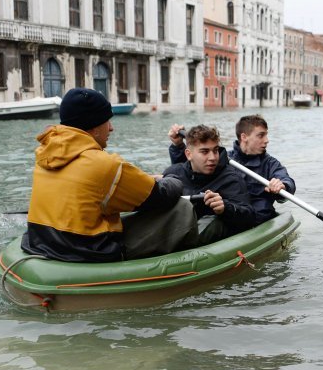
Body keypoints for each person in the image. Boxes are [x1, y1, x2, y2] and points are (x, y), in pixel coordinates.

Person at [21, 88, 196, 262]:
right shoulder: (105, 165)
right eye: (107, 121)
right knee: (182, 208)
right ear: (94, 126)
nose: (111, 128)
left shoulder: (44, 155)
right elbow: (160, 194)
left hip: (41, 244)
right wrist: (172, 178)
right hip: (89, 252)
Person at [169, 114, 295, 225]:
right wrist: (178, 146)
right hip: (229, 216)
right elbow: (189, 171)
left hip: (257, 219)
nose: (267, 140)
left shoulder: (270, 163)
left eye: (266, 135)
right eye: (261, 135)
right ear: (244, 137)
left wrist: (283, 185)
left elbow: (286, 180)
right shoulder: (223, 159)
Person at [162, 125, 254, 245]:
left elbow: (250, 217)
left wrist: (225, 208)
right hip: (180, 228)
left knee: (212, 222)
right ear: (189, 154)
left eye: (215, 150)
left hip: (213, 231)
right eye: (205, 152)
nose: (212, 158)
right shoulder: (173, 173)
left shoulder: (231, 178)